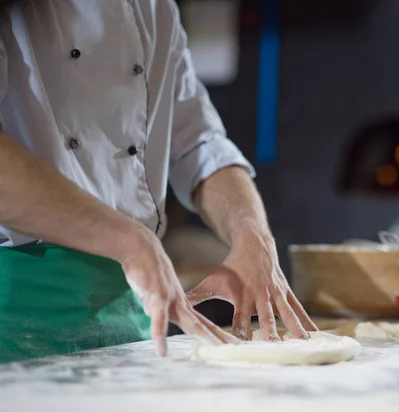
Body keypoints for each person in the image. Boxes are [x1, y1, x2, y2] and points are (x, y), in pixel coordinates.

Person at [0, 0, 317, 363]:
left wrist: (251, 233)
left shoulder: (154, 7)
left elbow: (198, 144)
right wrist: (130, 240)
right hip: (13, 317)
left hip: (131, 318)